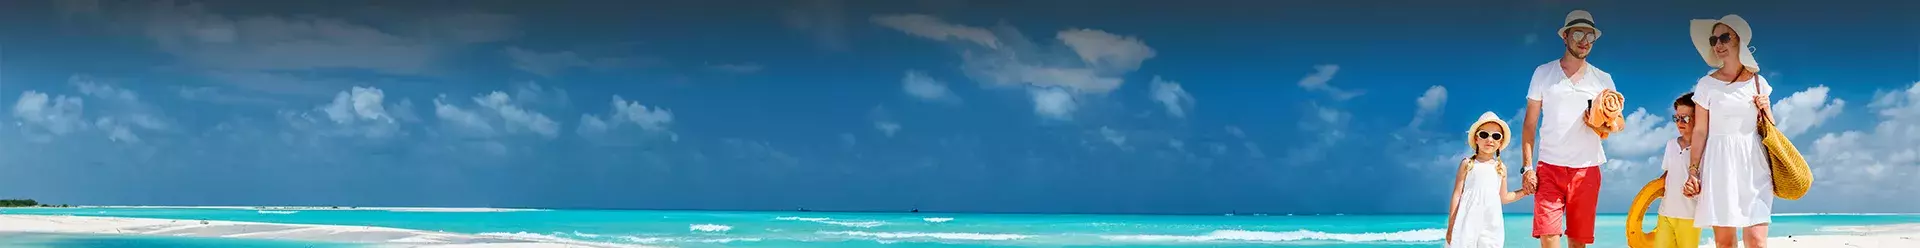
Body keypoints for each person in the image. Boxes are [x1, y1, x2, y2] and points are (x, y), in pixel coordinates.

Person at [1521, 9, 1620, 248]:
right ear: (1565, 36)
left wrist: (1603, 121)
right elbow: (1529, 124)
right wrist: (1527, 168)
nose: (1584, 41)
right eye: (1578, 34)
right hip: (1549, 169)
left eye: (1590, 36)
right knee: (1549, 237)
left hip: (1586, 170)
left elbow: (1619, 122)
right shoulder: (1543, 73)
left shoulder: (1603, 79)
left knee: (1578, 242)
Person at [1684, 14, 1774, 248]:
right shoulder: (1706, 84)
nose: (1719, 45)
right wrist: (1693, 171)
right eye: (1714, 40)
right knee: (1724, 243)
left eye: (1725, 37)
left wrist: (1766, 108)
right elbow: (1700, 130)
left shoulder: (1758, 82)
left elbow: (1770, 128)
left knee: (1756, 241)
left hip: (1753, 162)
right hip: (1719, 163)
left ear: (1739, 41)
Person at [1447, 112, 1533, 248]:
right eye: (1484, 134)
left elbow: (1504, 197)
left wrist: (1525, 191)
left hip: (1491, 222)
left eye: (1496, 136)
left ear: (1500, 142)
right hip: (1467, 220)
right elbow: (1457, 195)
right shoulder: (1467, 163)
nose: (1490, 139)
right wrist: (1451, 225)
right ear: (1476, 138)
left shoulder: (1501, 168)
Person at [1656, 93, 1705, 248]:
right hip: (1665, 213)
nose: (1679, 122)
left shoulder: (1706, 149)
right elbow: (1667, 175)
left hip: (1689, 216)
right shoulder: (1671, 144)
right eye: (1676, 118)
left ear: (1698, 119)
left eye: (1685, 118)